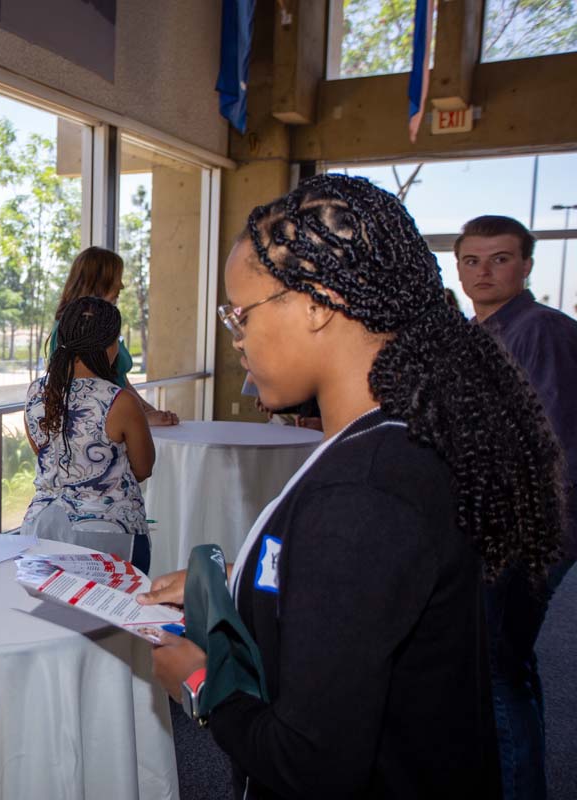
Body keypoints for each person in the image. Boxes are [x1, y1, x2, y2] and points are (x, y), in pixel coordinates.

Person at [139, 175, 565, 798]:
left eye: (242, 314)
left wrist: (205, 683)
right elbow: (359, 597)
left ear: (316, 303)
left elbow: (306, 763)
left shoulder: (365, 493)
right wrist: (230, 580)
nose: (238, 341)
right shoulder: (398, 440)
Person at [455, 214, 577, 798]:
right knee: (505, 664)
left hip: (526, 529)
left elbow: (551, 444)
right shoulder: (480, 333)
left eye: (500, 258)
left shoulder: (539, 331)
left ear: (526, 265)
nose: (484, 271)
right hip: (502, 524)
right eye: (472, 260)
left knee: (498, 671)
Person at [22, 296, 155, 572]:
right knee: (114, 611)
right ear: (109, 346)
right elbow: (143, 468)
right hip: (110, 535)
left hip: (42, 529)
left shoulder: (36, 392)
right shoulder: (119, 400)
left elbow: (45, 454)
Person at [49, 246, 180, 426]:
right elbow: (81, 395)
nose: (122, 286)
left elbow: (121, 381)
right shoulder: (69, 331)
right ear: (99, 282)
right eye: (117, 278)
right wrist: (141, 419)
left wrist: (150, 411)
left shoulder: (105, 325)